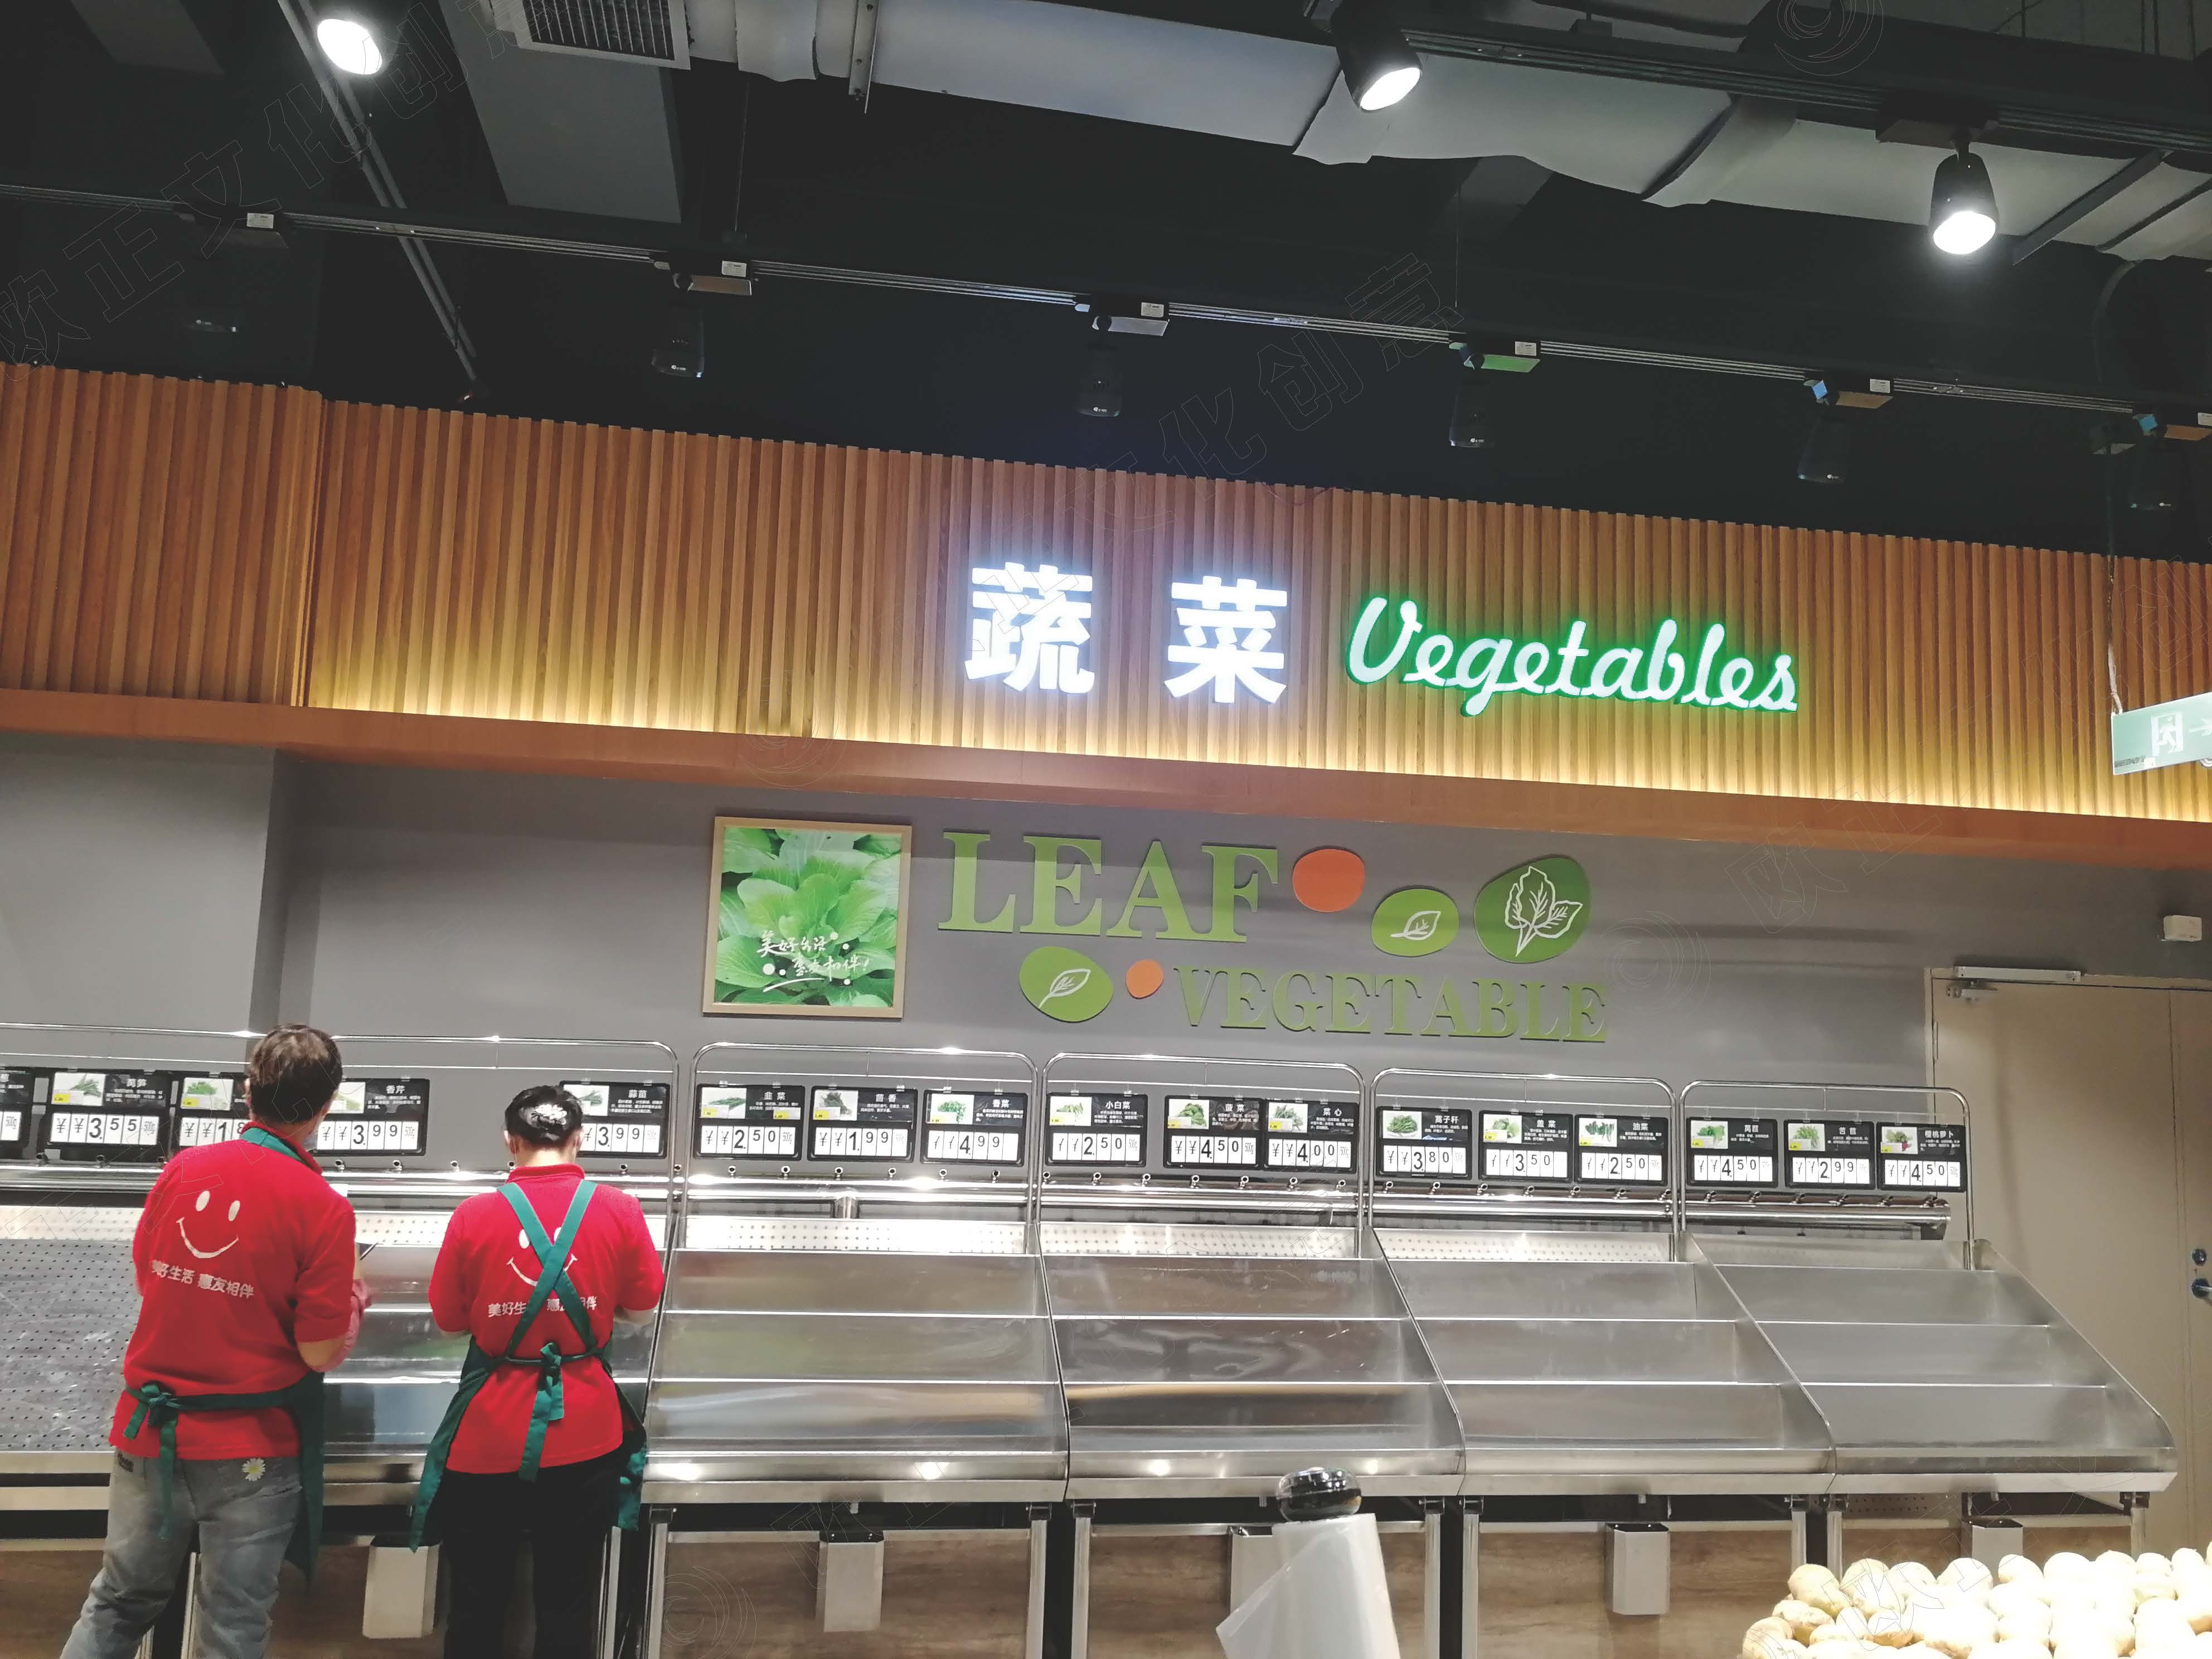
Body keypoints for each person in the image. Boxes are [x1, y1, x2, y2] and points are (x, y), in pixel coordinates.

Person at [61, 1024, 372, 1659]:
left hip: (151, 1432)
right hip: (250, 1450)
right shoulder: (323, 1208)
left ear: (247, 1092)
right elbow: (318, 1353)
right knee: (232, 1624)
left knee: (117, 1603)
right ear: (325, 1107)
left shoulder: (183, 1169)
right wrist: (355, 1301)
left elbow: (147, 1278)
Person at [413, 1085, 663, 1659]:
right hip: (585, 1435)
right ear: (579, 1140)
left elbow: (449, 1322)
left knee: (476, 1606)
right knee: (568, 1608)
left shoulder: (473, 1215)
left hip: (487, 1439)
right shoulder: (620, 1209)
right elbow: (641, 1307)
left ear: (511, 1142)